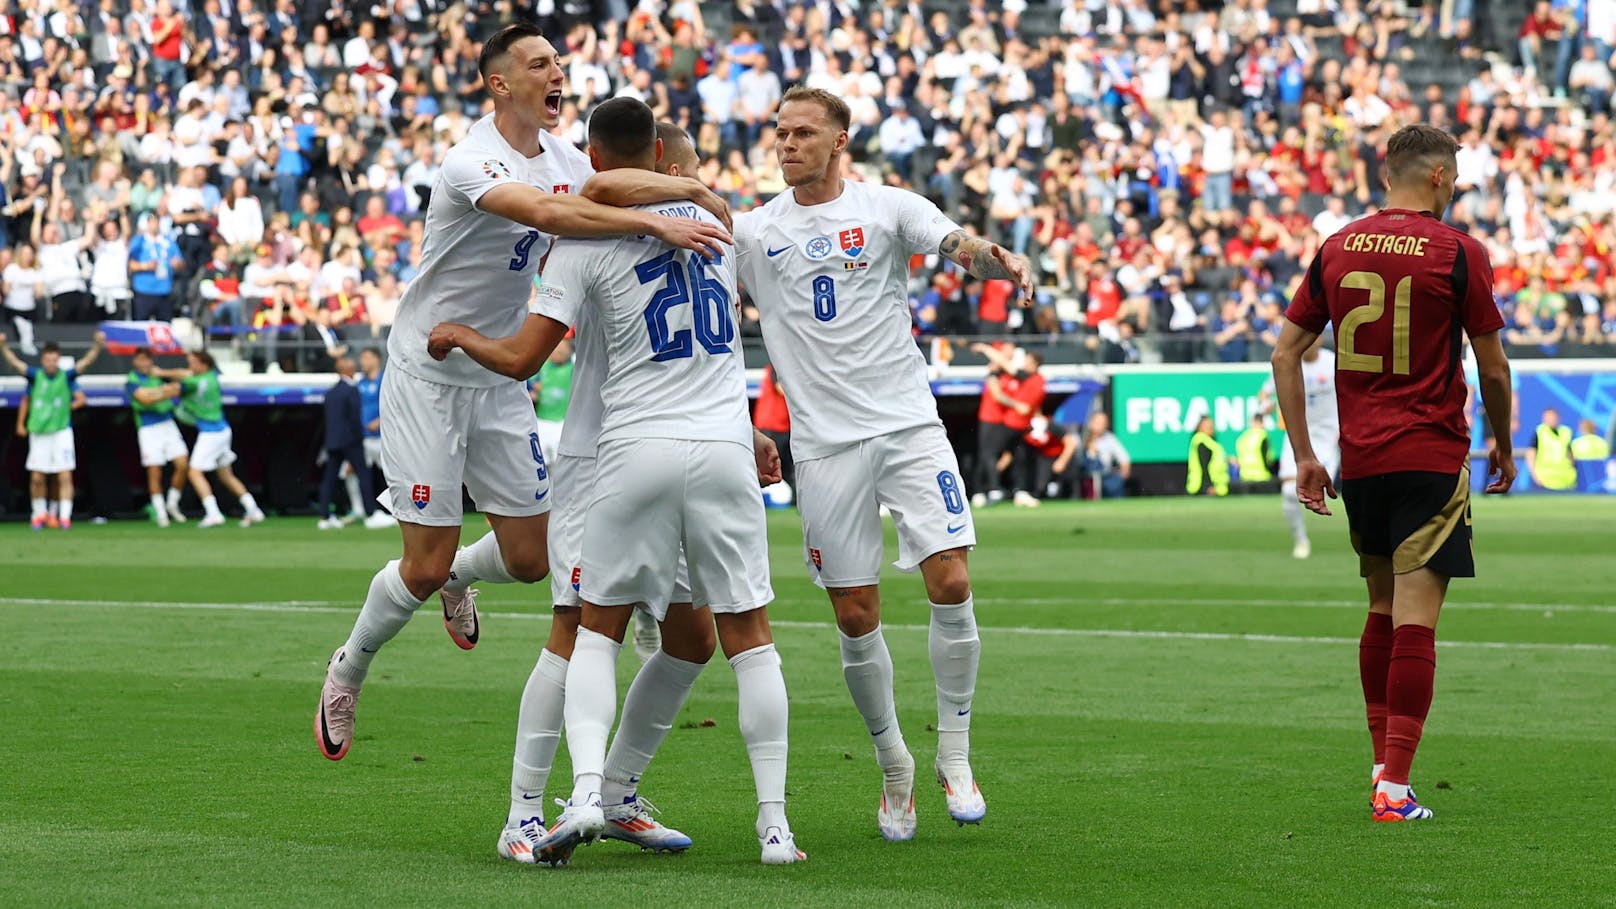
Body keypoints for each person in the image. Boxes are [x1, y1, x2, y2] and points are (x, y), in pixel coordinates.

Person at [314, 23, 734, 765]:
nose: (557, 72)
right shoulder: (469, 160)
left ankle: (458, 581)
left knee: (531, 558)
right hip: (429, 372)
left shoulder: (569, 156)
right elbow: (547, 213)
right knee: (420, 563)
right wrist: (653, 221)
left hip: (501, 372)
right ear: (501, 83)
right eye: (540, 63)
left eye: (560, 62)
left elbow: (603, 183)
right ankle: (348, 667)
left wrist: (687, 185)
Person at [427, 109, 793, 865]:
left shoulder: (587, 231)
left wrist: (458, 332)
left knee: (686, 638)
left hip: (647, 442)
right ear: (662, 159)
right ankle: (525, 812)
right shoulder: (703, 222)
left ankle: (613, 791)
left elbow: (533, 348)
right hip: (605, 454)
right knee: (577, 626)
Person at [731, 86, 1035, 840]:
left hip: (907, 425)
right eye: (780, 133)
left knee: (953, 576)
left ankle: (954, 755)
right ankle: (895, 763)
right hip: (826, 445)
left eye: (803, 132)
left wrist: (994, 260)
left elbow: (957, 246)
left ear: (840, 140)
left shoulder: (888, 207)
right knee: (855, 613)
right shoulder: (755, 232)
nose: (787, 144)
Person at [1272, 123, 1514, 824]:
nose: (1460, 183)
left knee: (1379, 609)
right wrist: (1500, 441)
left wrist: (1305, 456)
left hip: (1363, 460)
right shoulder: (1458, 251)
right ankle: (1395, 788)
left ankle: (1383, 767)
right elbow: (1492, 364)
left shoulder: (1337, 247)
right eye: (1458, 173)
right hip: (1431, 455)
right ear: (1437, 176)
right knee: (1416, 621)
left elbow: (1286, 355)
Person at [2, 332, 103, 529]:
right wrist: (3, 347)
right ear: (43, 360)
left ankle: (64, 516)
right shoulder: (35, 377)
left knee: (64, 475)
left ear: (58, 360)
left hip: (61, 431)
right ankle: (38, 514)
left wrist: (98, 346)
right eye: (48, 360)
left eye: (54, 360)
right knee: (37, 477)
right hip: (39, 432)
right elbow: (16, 365)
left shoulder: (66, 377)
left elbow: (85, 364)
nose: (51, 363)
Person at [1261, 335, 1340, 559]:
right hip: (1298, 436)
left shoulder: (1332, 362)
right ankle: (1301, 540)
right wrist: (1265, 404)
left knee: (1329, 490)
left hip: (1327, 438)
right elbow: (1265, 391)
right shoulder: (1289, 364)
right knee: (1288, 492)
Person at [175, 350, 267, 528]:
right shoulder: (212, 375)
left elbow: (180, 385)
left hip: (211, 433)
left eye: (193, 363)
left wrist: (160, 378)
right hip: (223, 430)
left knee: (194, 472)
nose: (190, 366)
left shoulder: (197, 381)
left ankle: (213, 513)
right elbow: (185, 374)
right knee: (226, 475)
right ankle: (253, 509)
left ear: (204, 364)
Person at [318, 356, 394, 530]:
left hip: (333, 442)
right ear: (348, 370)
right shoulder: (351, 390)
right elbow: (354, 419)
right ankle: (371, 513)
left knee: (329, 478)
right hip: (351, 442)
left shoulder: (331, 392)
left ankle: (324, 517)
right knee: (364, 475)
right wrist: (359, 436)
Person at [125, 347, 191, 527]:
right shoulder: (132, 380)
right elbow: (145, 399)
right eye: (140, 360)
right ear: (135, 362)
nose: (143, 363)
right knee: (155, 472)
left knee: (183, 465)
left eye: (146, 360)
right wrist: (167, 390)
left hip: (168, 423)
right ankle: (160, 511)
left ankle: (172, 504)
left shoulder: (158, 375)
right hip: (148, 428)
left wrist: (163, 375)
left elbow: (188, 376)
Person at [338, 347, 385, 524]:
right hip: (363, 438)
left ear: (376, 359)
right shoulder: (360, 383)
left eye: (366, 357)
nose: (362, 361)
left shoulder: (386, 380)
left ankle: (402, 511)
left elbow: (397, 406)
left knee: (394, 475)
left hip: (383, 438)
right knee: (349, 470)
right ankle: (358, 509)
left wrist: (380, 421)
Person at [128, 214, 186, 322]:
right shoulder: (139, 241)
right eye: (151, 222)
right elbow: (131, 264)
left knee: (163, 327)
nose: (154, 225)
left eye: (156, 222)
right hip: (143, 290)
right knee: (141, 325)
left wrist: (177, 264)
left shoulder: (168, 242)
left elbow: (181, 263)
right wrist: (146, 266)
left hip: (164, 290)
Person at [530, 335, 572, 461]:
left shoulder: (574, 368)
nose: (559, 351)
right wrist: (533, 393)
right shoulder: (541, 367)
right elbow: (528, 388)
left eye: (563, 347)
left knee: (559, 465)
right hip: (541, 422)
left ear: (569, 350)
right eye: (556, 347)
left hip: (562, 424)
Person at [1525, 407, 1576, 492]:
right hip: (1545, 480)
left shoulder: (1566, 432)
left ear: (1558, 418)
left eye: (1553, 417)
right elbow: (1530, 455)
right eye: (1548, 417)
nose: (1551, 420)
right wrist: (1535, 476)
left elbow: (1571, 455)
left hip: (1567, 480)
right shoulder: (1539, 432)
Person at [1186, 415, 1229, 496]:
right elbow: (1204, 465)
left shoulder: (1210, 442)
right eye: (1207, 426)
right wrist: (1208, 486)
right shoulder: (1201, 442)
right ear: (1200, 427)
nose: (1210, 428)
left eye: (1211, 425)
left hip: (1217, 487)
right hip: (1202, 488)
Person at [1233, 411, 1276, 488]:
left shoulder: (1242, 437)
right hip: (1261, 476)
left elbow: (1238, 458)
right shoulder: (1263, 435)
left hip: (1245, 477)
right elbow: (1269, 458)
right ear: (1262, 423)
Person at [1569, 418, 1610, 492]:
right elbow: (1607, 462)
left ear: (1582, 429)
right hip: (1600, 482)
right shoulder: (1603, 443)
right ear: (1595, 429)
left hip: (1582, 482)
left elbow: (1572, 462)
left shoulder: (1576, 443)